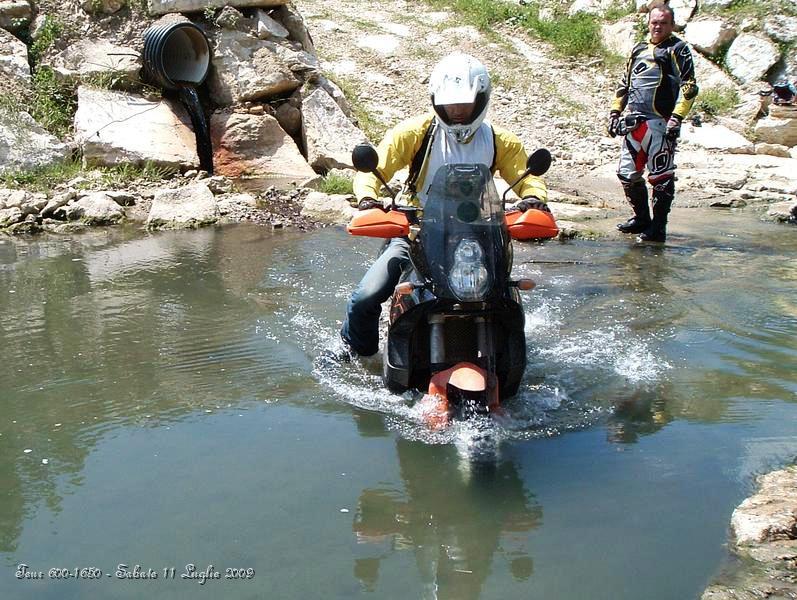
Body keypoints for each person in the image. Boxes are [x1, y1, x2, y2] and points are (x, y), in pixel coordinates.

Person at [337, 53, 548, 359]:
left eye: (465, 105)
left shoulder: (502, 141)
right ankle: (351, 350)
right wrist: (368, 199)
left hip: (479, 234)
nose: (458, 113)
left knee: (505, 297)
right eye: (451, 106)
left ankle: (508, 354)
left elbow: (526, 178)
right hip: (415, 232)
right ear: (436, 101)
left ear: (482, 99)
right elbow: (374, 169)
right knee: (365, 297)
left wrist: (534, 200)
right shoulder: (414, 133)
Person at [608, 2, 698, 243]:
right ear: (648, 23)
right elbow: (623, 84)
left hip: (660, 122)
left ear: (671, 25)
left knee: (661, 176)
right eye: (654, 22)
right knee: (627, 174)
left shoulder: (678, 48)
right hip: (633, 123)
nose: (658, 27)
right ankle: (641, 218)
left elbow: (689, 86)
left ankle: (659, 227)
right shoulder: (638, 48)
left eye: (663, 23)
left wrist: (677, 118)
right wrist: (614, 113)